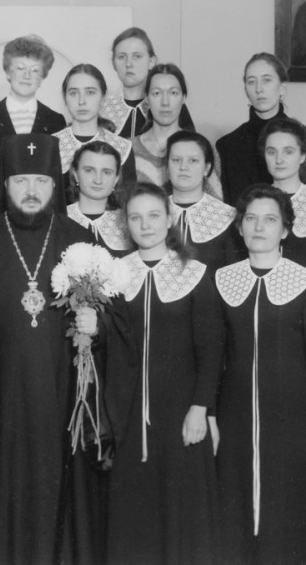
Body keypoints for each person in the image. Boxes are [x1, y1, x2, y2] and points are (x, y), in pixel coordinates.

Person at [0, 134, 132, 564]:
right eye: (22, 180)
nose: (32, 191)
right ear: (5, 184)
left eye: (41, 181)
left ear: (56, 186)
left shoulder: (80, 243)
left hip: (61, 408)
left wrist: (97, 330)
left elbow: (118, 331)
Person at [214, 184, 306, 564]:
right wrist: (212, 414)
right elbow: (215, 355)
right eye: (250, 218)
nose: (259, 227)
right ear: (239, 226)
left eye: (270, 220)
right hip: (234, 419)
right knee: (236, 509)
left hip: (291, 418)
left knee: (287, 513)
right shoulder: (221, 280)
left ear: (285, 230)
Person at [107, 182, 223, 564]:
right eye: (136, 217)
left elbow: (211, 349)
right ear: (126, 224)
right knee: (134, 515)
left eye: (154, 215)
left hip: (180, 413)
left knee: (183, 516)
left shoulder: (193, 273)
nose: (145, 224)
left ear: (169, 219)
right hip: (129, 412)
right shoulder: (115, 275)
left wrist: (200, 407)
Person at [217, 52, 306, 206]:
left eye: (267, 80)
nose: (259, 89)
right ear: (245, 90)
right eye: (251, 82)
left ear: (282, 88)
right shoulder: (227, 146)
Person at [0, 35, 66, 179]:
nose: (27, 75)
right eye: (20, 68)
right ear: (8, 72)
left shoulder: (55, 122)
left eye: (35, 70)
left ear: (42, 77)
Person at [54, 63, 136, 198]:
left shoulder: (122, 147)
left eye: (90, 92)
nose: (82, 101)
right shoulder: (51, 145)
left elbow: (128, 204)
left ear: (103, 97)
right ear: (65, 98)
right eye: (73, 93)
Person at [260, 117, 306, 266]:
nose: (279, 160)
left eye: (288, 152)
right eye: (271, 152)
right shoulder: (254, 202)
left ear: (303, 156)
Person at [165, 130, 242, 270]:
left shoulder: (228, 216)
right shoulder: (152, 212)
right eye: (176, 160)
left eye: (193, 160)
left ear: (206, 168)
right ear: (167, 166)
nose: (183, 167)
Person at [132, 64, 199, 187]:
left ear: (183, 98)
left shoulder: (200, 150)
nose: (165, 102)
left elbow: (212, 203)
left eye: (173, 93)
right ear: (147, 99)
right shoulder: (128, 150)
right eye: (157, 93)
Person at [66, 140, 132, 256]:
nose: (98, 180)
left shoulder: (128, 222)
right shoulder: (59, 219)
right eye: (89, 170)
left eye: (106, 172)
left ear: (116, 179)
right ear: (75, 174)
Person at [100, 27, 158, 138]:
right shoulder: (101, 109)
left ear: (151, 62)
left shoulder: (168, 106)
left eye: (137, 56)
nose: (128, 64)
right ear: (113, 63)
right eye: (121, 57)